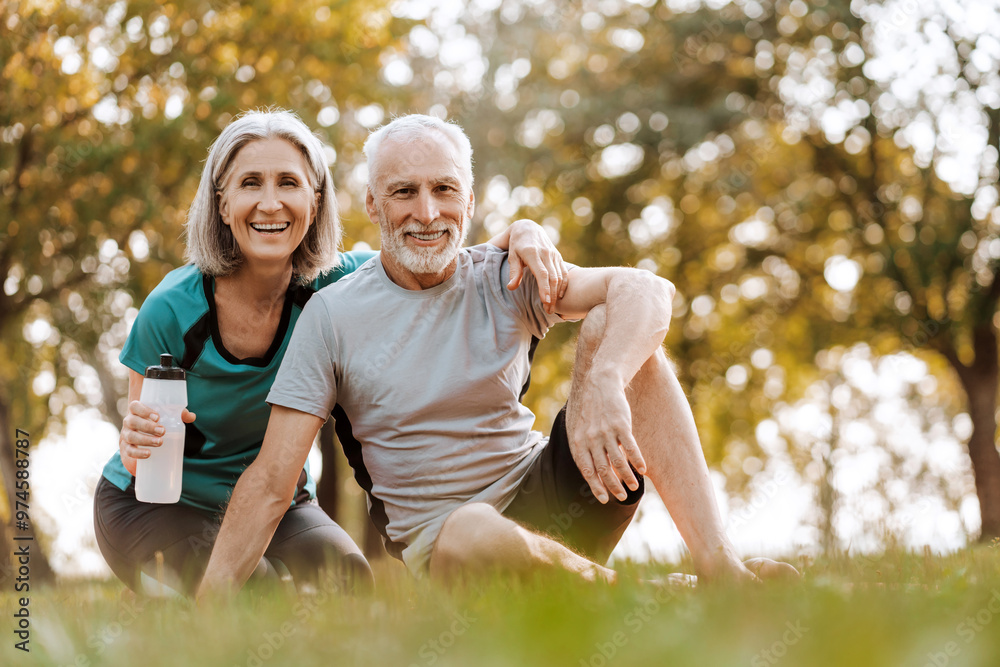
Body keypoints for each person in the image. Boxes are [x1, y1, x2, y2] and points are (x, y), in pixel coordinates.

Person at [196, 114, 796, 597]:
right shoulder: (331, 316)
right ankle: (649, 597)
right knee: (472, 528)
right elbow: (273, 479)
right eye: (404, 192)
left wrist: (607, 379)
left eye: (443, 190)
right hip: (457, 549)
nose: (427, 213)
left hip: (560, 492)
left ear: (470, 200)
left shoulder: (505, 275)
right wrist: (210, 600)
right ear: (374, 207)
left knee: (619, 327)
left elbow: (648, 290)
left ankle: (722, 571)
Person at [94, 109, 569, 597]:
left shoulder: (344, 284)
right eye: (250, 183)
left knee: (348, 586)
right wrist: (135, 444)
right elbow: (142, 451)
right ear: (221, 203)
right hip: (158, 505)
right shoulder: (171, 309)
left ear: (315, 201)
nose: (270, 203)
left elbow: (443, 258)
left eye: (289, 183)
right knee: (255, 596)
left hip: (282, 504)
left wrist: (523, 232)